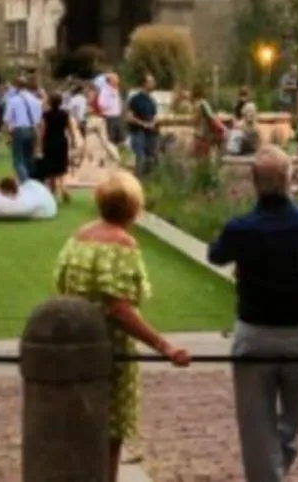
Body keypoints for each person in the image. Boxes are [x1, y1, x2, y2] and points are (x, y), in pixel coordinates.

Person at [55, 171, 193, 475]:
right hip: (110, 351)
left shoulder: (78, 236)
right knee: (108, 434)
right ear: (134, 208)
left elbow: (61, 284)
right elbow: (119, 308)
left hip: (75, 341)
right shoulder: (123, 244)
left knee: (80, 429)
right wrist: (164, 346)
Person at [208, 149, 298, 482]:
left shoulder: (242, 228)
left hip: (257, 334)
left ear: (254, 182)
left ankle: (269, 475)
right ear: (290, 179)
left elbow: (216, 255)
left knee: (257, 431)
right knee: (289, 428)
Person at [6, 73, 43, 185]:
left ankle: (26, 182)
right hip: (32, 129)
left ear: (16, 87)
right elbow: (38, 118)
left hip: (19, 129)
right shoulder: (36, 100)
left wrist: (9, 132)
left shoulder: (13, 100)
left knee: (18, 160)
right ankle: (31, 179)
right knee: (29, 158)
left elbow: (8, 118)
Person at [35, 90, 72, 197]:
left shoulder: (46, 115)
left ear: (50, 102)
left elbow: (43, 131)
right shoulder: (65, 114)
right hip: (62, 141)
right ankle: (64, 188)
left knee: (50, 167)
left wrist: (40, 145)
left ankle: (53, 190)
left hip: (50, 141)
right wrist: (73, 140)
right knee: (62, 166)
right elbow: (70, 128)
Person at [127, 74, 162, 174]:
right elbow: (129, 117)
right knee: (140, 158)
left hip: (151, 134)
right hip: (139, 133)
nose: (153, 84)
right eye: (150, 82)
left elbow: (155, 115)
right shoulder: (135, 99)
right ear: (144, 84)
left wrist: (153, 123)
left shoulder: (152, 100)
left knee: (151, 159)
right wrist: (143, 124)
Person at [99, 72, 126, 148]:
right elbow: (102, 104)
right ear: (110, 81)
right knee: (111, 139)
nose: (118, 81)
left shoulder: (116, 90)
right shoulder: (105, 91)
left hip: (118, 116)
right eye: (116, 79)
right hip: (109, 117)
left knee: (121, 138)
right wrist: (111, 97)